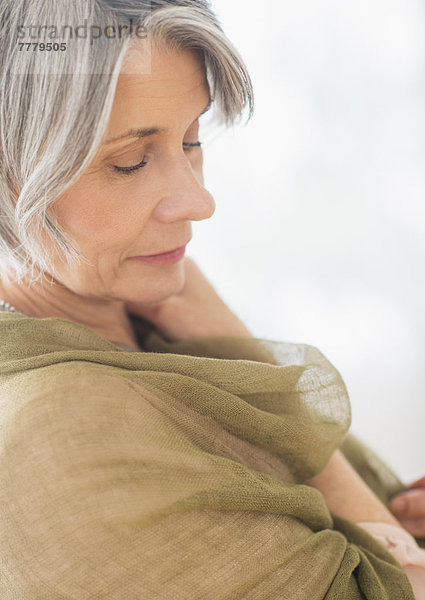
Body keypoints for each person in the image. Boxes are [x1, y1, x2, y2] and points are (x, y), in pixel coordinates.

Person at [0, 1, 424, 598]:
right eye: (129, 162)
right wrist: (242, 350)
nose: (199, 201)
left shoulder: (143, 330)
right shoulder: (56, 433)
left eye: (193, 140)